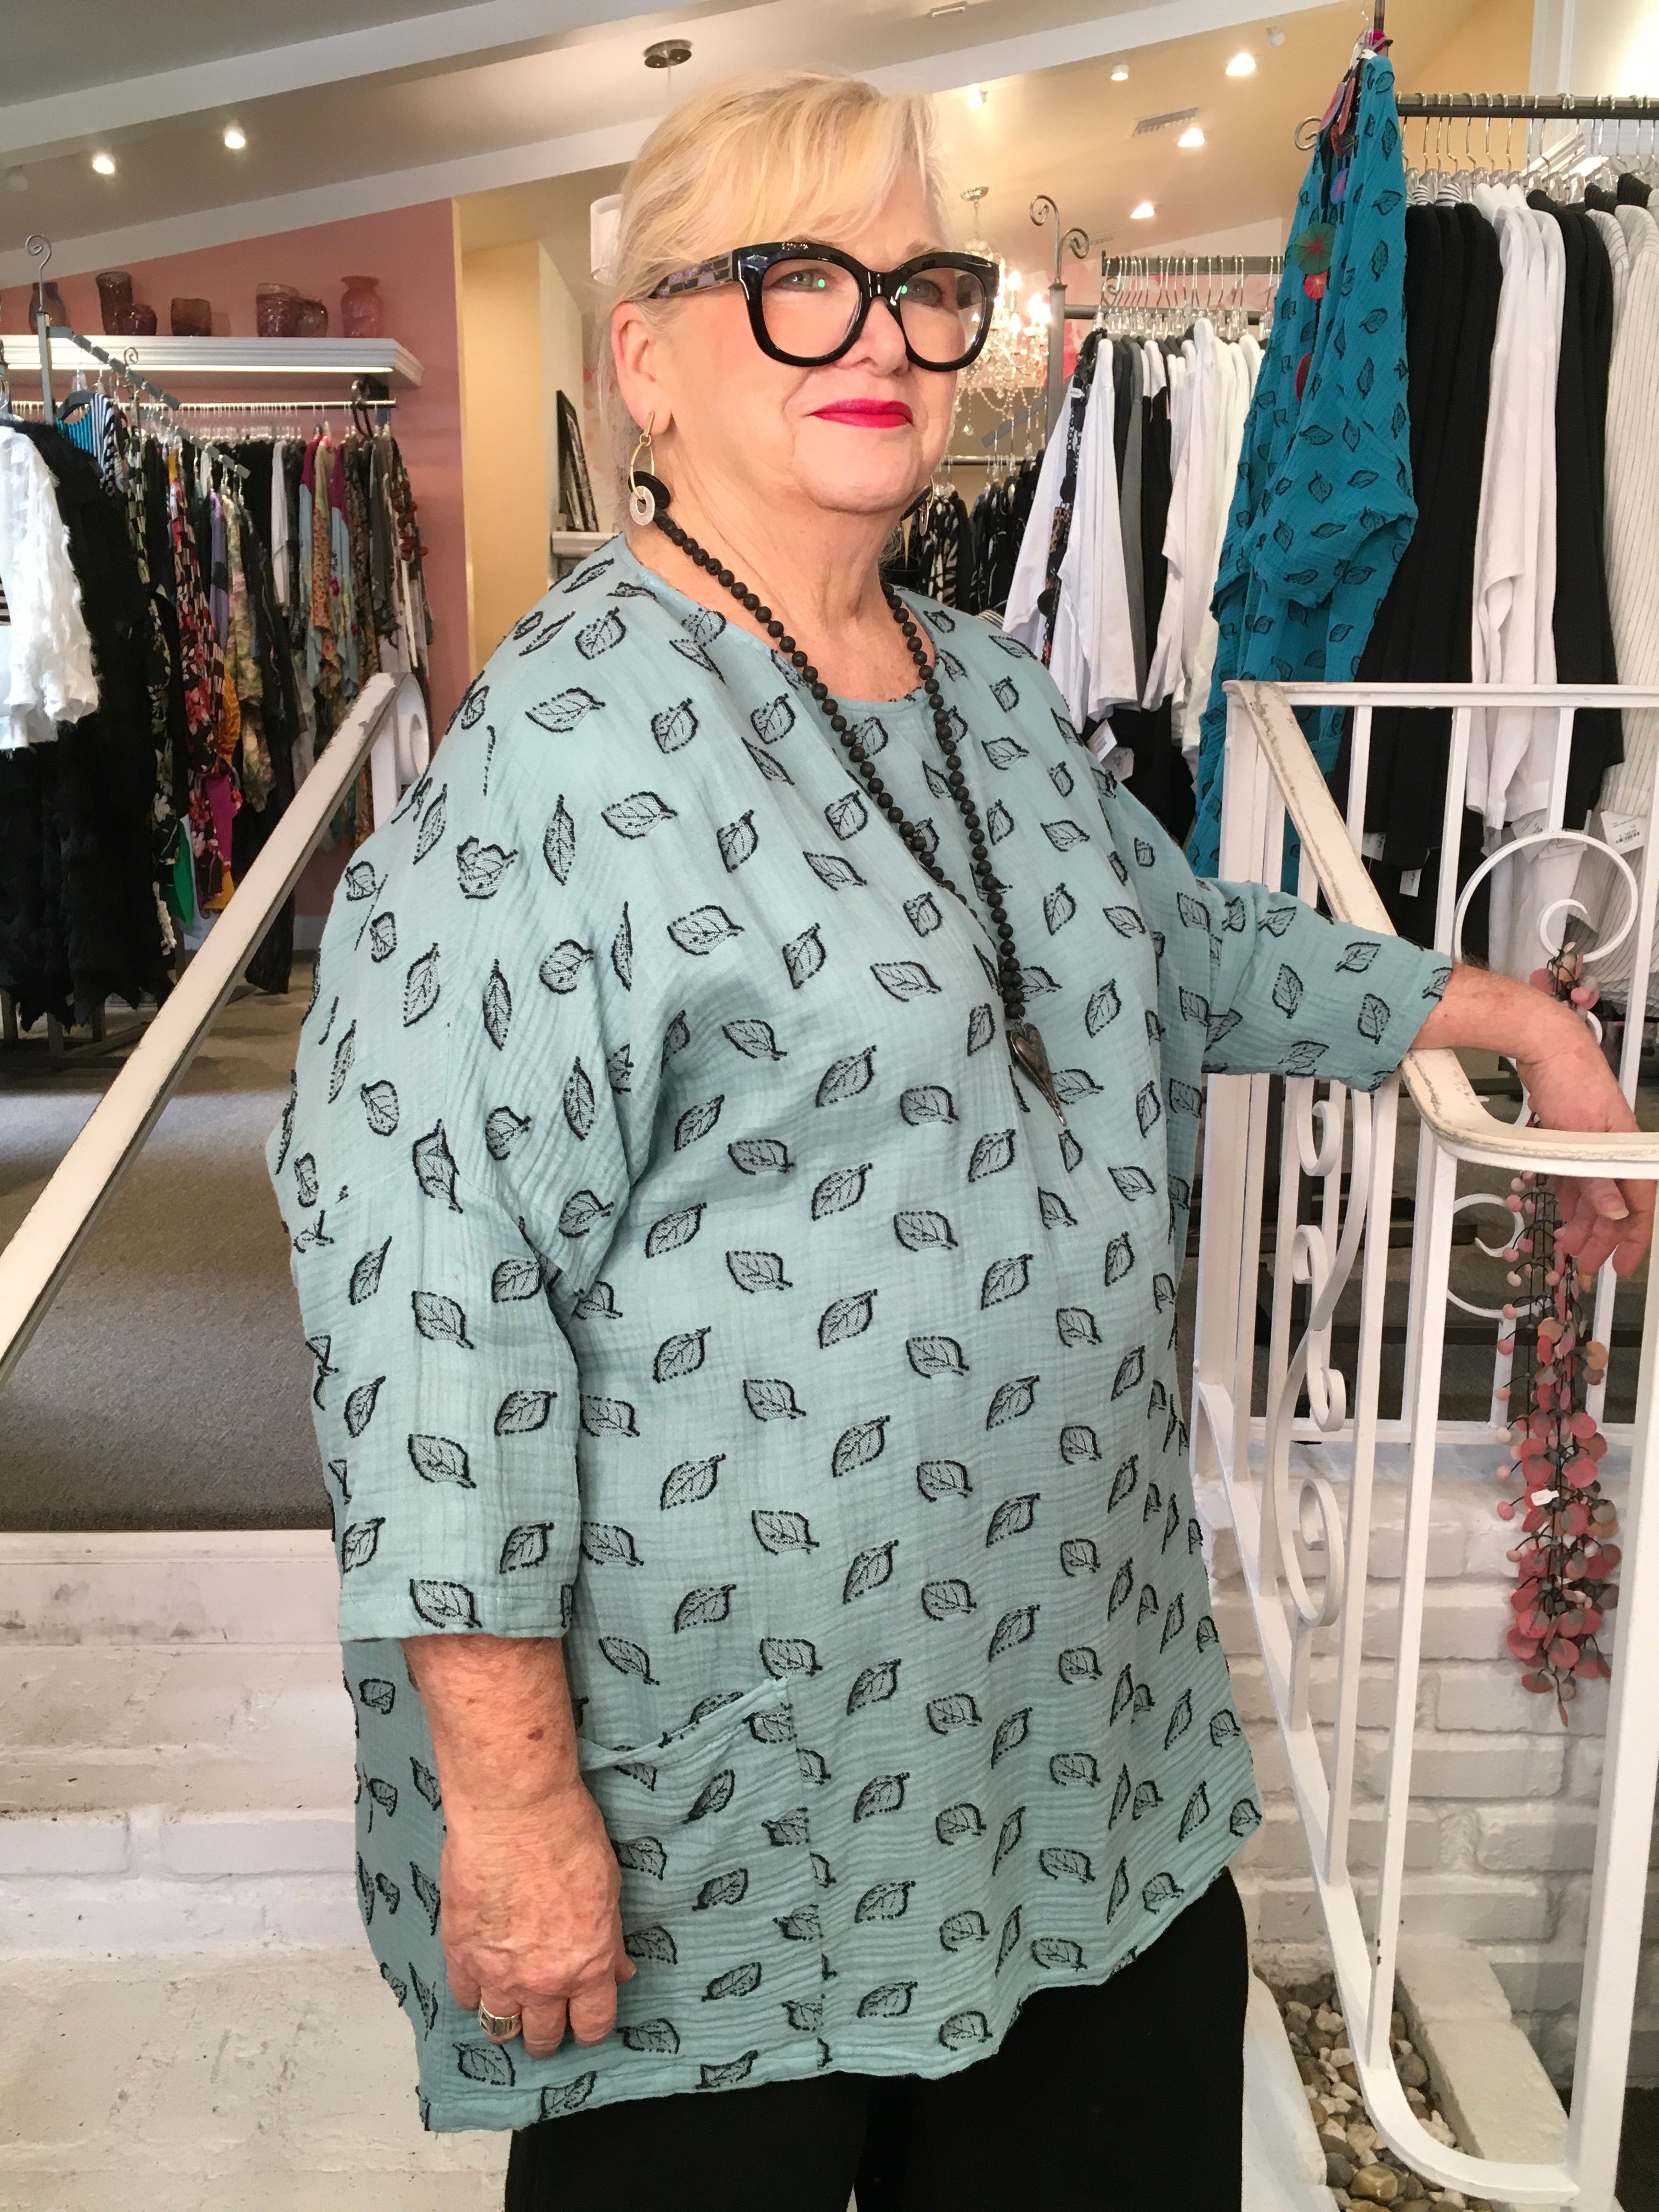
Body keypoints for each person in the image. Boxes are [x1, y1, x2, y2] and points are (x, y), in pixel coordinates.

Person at [269, 69, 1653, 2212]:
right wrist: (513, 1800)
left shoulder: (983, 683)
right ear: (643, 359)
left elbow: (1166, 942)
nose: (883, 336)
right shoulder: (553, 761)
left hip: (1065, 1718)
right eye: (795, 278)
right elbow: (428, 1301)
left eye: (920, 282)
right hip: (728, 1798)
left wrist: (1512, 1019)